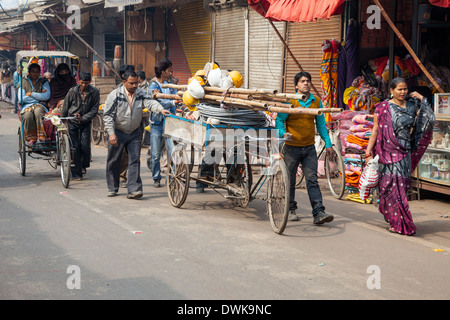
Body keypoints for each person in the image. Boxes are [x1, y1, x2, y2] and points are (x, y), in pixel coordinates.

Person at [365, 77, 435, 235]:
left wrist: (422, 99)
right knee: (389, 188)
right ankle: (395, 220)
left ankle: (398, 220)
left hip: (404, 153)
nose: (403, 92)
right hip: (386, 153)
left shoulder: (412, 106)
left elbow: (429, 119)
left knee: (400, 189)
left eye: (405, 89)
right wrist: (368, 152)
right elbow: (375, 130)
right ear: (391, 90)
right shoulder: (382, 108)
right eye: (399, 89)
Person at [275, 71, 334, 224]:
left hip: (309, 148)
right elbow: (279, 121)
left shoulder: (316, 101)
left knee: (312, 180)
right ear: (296, 85)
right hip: (291, 148)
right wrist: (283, 133)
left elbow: (321, 124)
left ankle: (319, 212)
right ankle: (290, 208)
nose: (306, 83)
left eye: (308, 81)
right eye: (302, 81)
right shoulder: (289, 101)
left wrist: (328, 144)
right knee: (290, 180)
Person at [103, 69, 170, 199]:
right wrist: (111, 133)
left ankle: (134, 189)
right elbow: (108, 116)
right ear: (124, 82)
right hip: (117, 131)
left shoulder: (140, 93)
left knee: (134, 160)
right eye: (131, 83)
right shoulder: (115, 95)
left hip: (134, 132)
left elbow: (149, 102)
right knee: (114, 160)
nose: (134, 86)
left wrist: (160, 109)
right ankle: (112, 187)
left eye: (136, 83)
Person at [61, 72, 100, 180]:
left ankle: (83, 166)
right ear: (79, 82)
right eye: (82, 83)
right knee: (75, 147)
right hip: (72, 121)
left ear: (90, 82)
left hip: (85, 122)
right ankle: (76, 172)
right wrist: (63, 120)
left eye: (86, 83)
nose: (84, 85)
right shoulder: (73, 91)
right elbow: (66, 106)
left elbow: (94, 110)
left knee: (85, 146)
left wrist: (83, 117)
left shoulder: (95, 92)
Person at [148, 59, 176, 188]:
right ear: (163, 71)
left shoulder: (170, 86)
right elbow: (158, 104)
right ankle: (156, 177)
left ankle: (172, 176)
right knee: (156, 154)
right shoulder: (153, 86)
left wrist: (176, 106)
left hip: (170, 123)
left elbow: (176, 98)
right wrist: (173, 103)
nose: (171, 73)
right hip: (157, 124)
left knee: (172, 151)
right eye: (169, 70)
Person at [18, 63, 51, 146]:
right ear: (29, 72)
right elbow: (21, 98)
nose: (35, 74)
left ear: (40, 73)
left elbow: (46, 96)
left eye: (37, 72)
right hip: (26, 106)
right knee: (27, 115)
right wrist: (39, 95)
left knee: (38, 112)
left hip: (40, 105)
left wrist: (31, 94)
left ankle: (42, 136)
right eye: (33, 71)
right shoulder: (23, 82)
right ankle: (31, 138)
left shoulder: (43, 81)